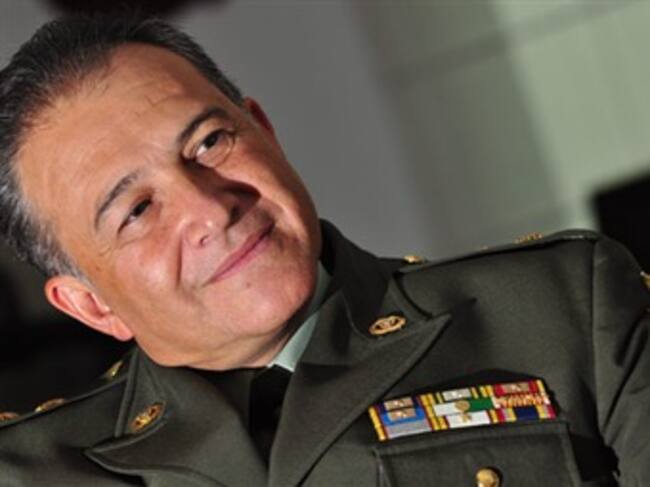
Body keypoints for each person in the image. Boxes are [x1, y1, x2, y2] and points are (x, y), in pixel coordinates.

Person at [0, 13, 648, 487]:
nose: (211, 209)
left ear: (265, 130)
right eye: (138, 211)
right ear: (89, 304)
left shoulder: (563, 309)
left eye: (209, 143)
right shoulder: (31, 470)